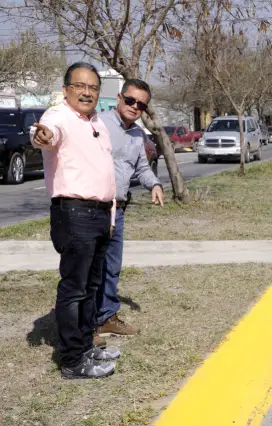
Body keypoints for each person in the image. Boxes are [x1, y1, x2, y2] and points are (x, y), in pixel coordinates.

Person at [31, 62, 121, 380]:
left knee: (92, 287)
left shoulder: (96, 121)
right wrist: (41, 136)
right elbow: (46, 134)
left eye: (93, 87)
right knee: (75, 289)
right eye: (80, 86)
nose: (87, 92)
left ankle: (85, 347)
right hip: (74, 213)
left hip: (99, 215)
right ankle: (72, 361)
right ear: (66, 89)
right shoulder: (59, 116)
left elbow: (106, 172)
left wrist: (110, 217)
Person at [95, 79, 164, 344]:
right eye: (131, 100)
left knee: (112, 267)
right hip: (96, 208)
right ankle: (87, 324)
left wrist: (155, 184)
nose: (135, 107)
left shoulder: (138, 135)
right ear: (119, 97)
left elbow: (142, 169)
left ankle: (107, 318)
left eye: (142, 105)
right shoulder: (98, 124)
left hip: (119, 209)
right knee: (92, 268)